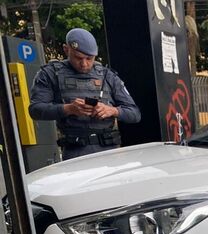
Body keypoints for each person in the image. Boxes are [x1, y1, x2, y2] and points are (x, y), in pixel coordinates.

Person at [29, 28, 141, 160]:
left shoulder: (108, 75)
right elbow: (35, 110)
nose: (84, 64)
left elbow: (134, 114)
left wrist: (112, 111)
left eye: (89, 58)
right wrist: (68, 109)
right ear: (66, 50)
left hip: (109, 152)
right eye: (78, 58)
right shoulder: (50, 74)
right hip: (75, 152)